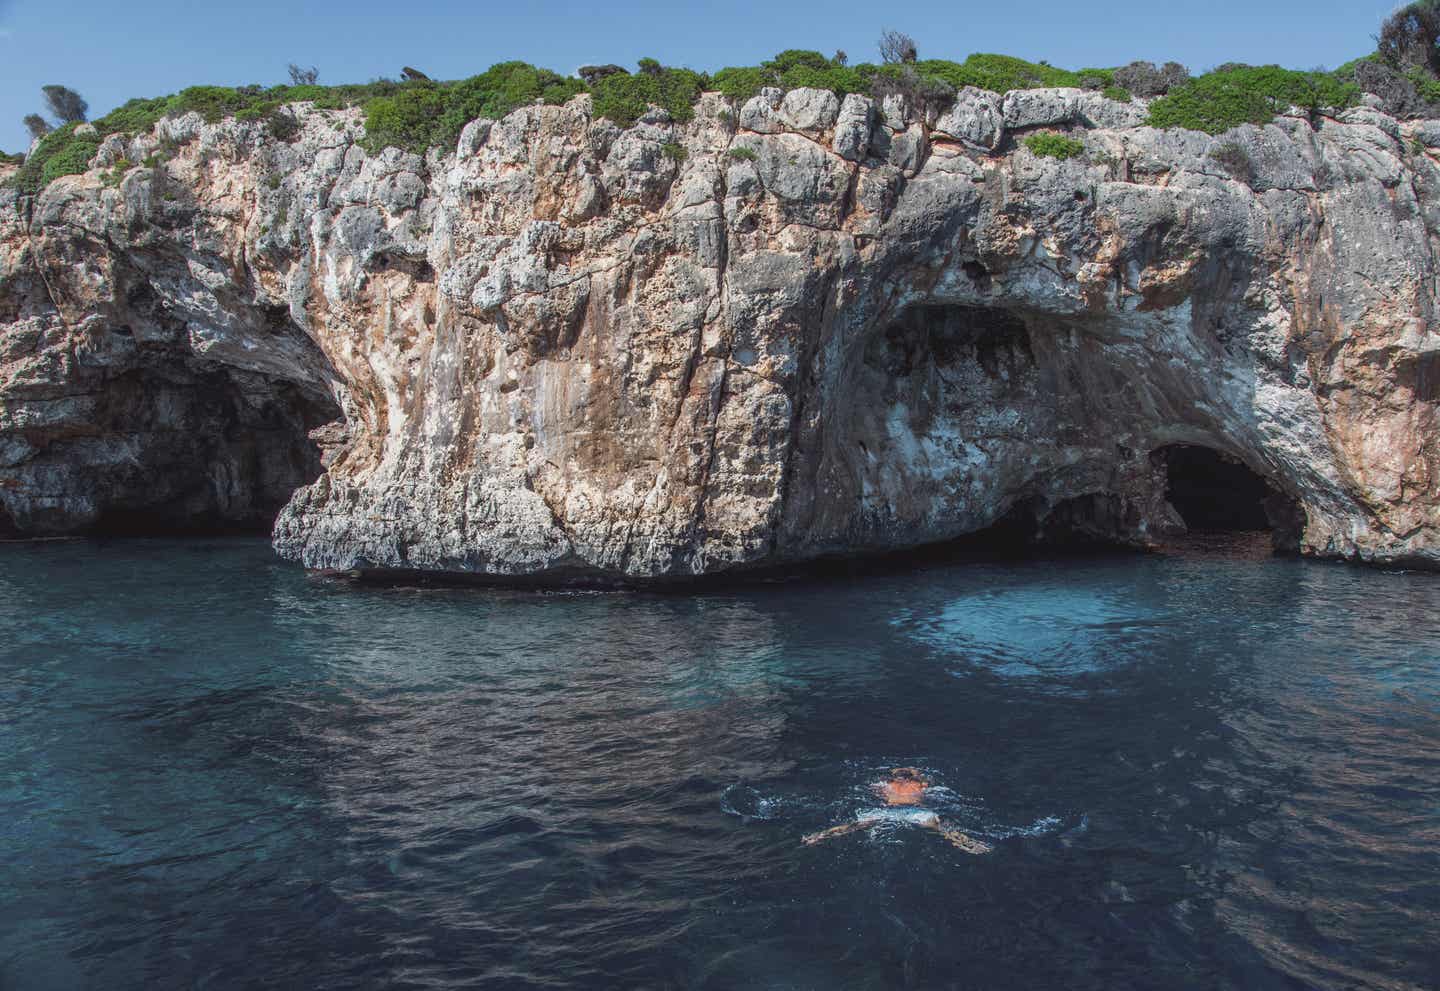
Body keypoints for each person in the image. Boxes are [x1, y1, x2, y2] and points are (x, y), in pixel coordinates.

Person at [800, 767, 993, 854]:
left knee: (855, 825)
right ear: (912, 777)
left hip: (888, 811)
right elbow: (930, 785)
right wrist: (917, 774)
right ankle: (967, 843)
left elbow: (872, 789)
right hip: (914, 812)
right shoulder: (922, 785)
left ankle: (820, 835)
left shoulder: (885, 786)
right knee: (939, 826)